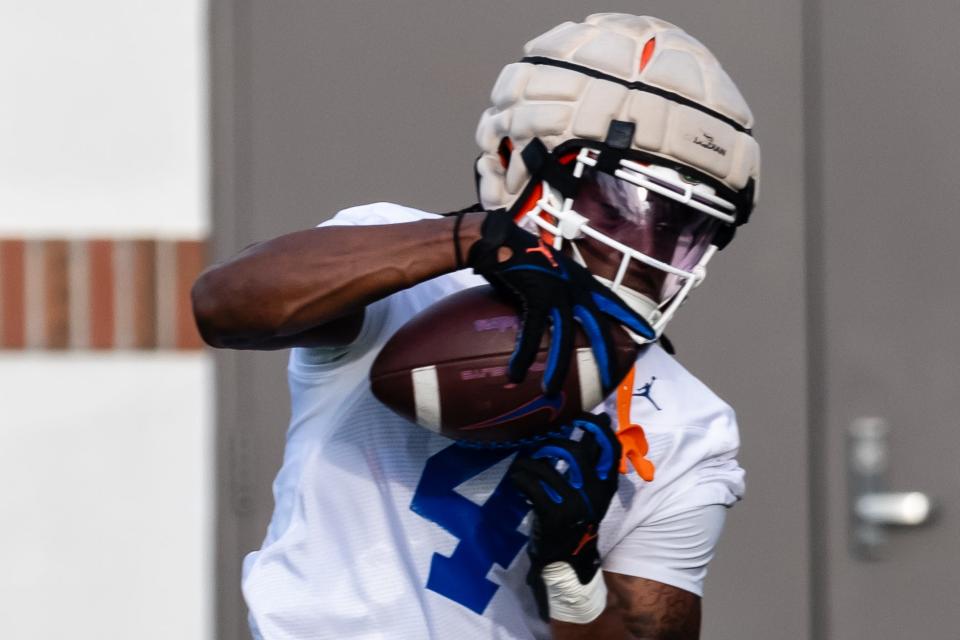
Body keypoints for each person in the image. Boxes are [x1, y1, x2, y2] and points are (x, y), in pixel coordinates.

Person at [192, 13, 760, 640]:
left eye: (684, 226)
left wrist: (572, 574)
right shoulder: (401, 271)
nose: (645, 246)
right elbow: (222, 306)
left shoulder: (690, 424)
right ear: (515, 159)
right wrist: (470, 237)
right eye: (618, 203)